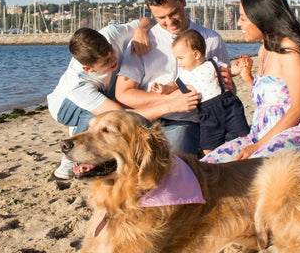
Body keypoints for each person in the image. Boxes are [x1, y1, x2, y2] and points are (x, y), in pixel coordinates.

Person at [48, 18, 192, 179]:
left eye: (111, 51)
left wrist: (141, 31)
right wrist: (170, 105)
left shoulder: (111, 33)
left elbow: (148, 20)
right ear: (88, 69)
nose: (113, 59)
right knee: (101, 117)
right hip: (65, 106)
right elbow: (123, 117)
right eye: (106, 62)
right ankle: (70, 161)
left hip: (105, 93)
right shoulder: (78, 85)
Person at [201, 0, 300, 164]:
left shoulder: (290, 51)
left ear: (262, 19)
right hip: (261, 134)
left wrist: (258, 145)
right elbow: (274, 99)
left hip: (298, 132)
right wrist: (248, 78)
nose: (239, 24)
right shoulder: (264, 50)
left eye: (244, 19)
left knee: (248, 167)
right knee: (209, 164)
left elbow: (299, 107)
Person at [115, 0, 231, 155]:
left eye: (174, 13)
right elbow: (123, 94)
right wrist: (171, 102)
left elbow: (229, 91)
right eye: (161, 17)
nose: (169, 22)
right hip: (156, 119)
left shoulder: (212, 39)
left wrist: (229, 86)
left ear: (183, 0)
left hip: (199, 119)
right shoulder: (141, 42)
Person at [150, 29, 250, 155]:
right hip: (207, 112)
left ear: (196, 54)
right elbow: (175, 85)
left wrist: (239, 67)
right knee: (208, 146)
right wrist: (164, 88)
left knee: (242, 135)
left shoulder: (213, 62)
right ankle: (212, 162)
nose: (179, 63)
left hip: (228, 104)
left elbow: (229, 70)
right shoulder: (186, 75)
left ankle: (248, 156)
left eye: (181, 58)